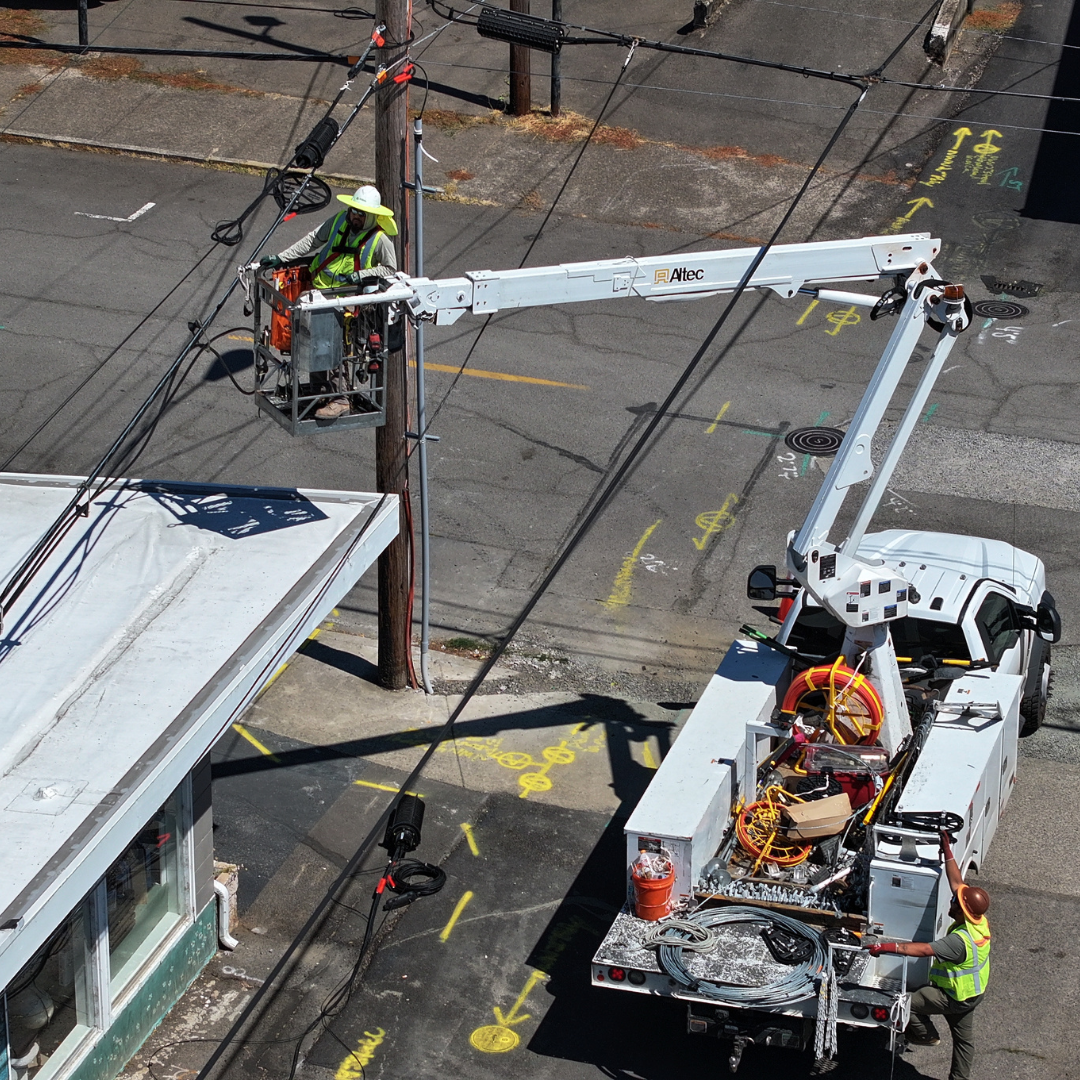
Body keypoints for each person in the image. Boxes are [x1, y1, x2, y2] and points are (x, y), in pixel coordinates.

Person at [261, 185, 398, 419]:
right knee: (314, 344)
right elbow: (312, 240)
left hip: (346, 302)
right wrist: (281, 258)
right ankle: (321, 392)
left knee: (333, 347)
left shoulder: (380, 240)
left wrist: (361, 276)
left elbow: (390, 269)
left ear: (373, 216)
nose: (355, 215)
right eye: (354, 210)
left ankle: (340, 398)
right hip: (320, 293)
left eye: (361, 213)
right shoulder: (338, 222)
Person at [864, 831, 990, 1080]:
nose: (951, 902)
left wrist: (884, 948)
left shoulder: (958, 942)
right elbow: (957, 883)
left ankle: (925, 1035)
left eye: (955, 903)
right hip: (971, 995)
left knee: (908, 1003)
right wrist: (948, 854)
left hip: (952, 997)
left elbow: (922, 950)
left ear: (962, 910)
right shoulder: (979, 923)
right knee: (964, 1043)